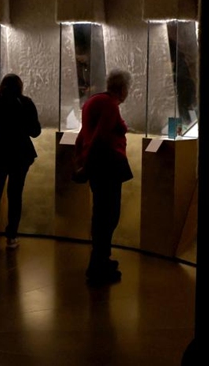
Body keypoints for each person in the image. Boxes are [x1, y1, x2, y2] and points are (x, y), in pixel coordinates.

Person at [74, 69, 133, 285]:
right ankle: (98, 264)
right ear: (123, 88)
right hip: (107, 165)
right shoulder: (110, 105)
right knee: (109, 215)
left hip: (97, 166)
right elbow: (100, 137)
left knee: (101, 214)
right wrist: (87, 166)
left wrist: (80, 161)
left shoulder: (93, 101)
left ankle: (101, 259)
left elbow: (84, 135)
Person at [0, 73, 41, 253]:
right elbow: (35, 131)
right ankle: (12, 236)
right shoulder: (26, 103)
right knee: (15, 194)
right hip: (20, 153)